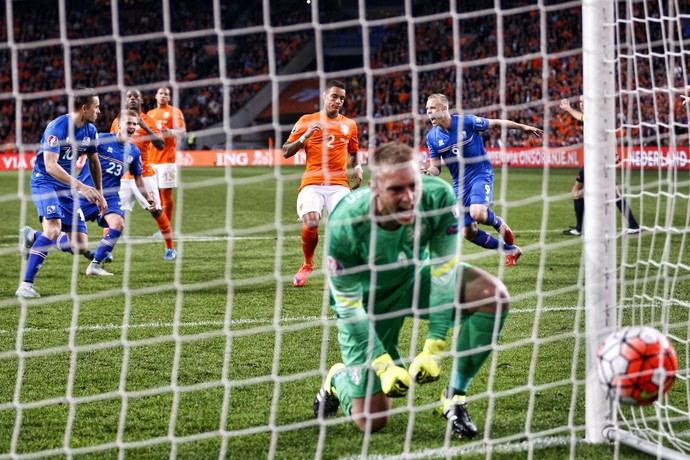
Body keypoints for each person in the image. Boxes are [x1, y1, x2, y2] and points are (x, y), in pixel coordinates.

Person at [314, 142, 510, 438]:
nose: (409, 198)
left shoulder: (437, 196)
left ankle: (454, 397)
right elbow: (348, 307)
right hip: (368, 305)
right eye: (396, 190)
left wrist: (434, 347)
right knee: (372, 422)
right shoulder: (346, 223)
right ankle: (337, 379)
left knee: (493, 297)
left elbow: (444, 274)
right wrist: (382, 365)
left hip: (415, 279)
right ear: (374, 187)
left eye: (413, 186)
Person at [422, 93, 542, 267]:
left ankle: (498, 222)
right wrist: (428, 172)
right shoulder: (432, 137)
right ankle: (511, 250)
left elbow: (496, 123)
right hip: (460, 185)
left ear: (444, 108)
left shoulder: (467, 122)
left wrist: (522, 127)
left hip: (480, 174)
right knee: (468, 233)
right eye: (427, 109)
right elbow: (436, 168)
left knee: (477, 213)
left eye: (432, 108)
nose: (428, 112)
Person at [16, 88, 106, 298]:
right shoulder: (57, 127)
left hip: (67, 187)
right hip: (45, 181)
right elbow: (50, 166)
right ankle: (25, 285)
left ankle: (33, 236)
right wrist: (82, 187)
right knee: (54, 229)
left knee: (80, 246)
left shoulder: (90, 131)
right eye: (97, 107)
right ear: (84, 108)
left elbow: (94, 162)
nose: (99, 111)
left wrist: (100, 194)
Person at [282, 79, 363, 287]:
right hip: (312, 182)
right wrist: (304, 137)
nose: (338, 101)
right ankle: (307, 264)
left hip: (338, 183)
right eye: (334, 96)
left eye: (342, 99)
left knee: (341, 225)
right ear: (325, 96)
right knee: (311, 220)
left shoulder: (350, 125)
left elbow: (354, 152)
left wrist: (358, 167)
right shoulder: (307, 120)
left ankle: (335, 268)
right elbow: (286, 151)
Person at [92, 88, 177, 261]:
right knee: (111, 212)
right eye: (129, 96)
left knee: (156, 210)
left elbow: (161, 144)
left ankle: (170, 248)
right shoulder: (119, 120)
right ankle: (106, 251)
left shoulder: (148, 120)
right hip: (122, 176)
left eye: (136, 96)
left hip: (144, 174)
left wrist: (144, 127)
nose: (132, 99)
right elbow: (111, 142)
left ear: (141, 100)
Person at [559, 96, 640, 236]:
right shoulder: (592, 117)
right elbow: (582, 117)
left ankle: (580, 228)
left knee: (578, 192)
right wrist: (569, 109)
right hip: (596, 159)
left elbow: (607, 136)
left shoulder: (595, 118)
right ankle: (633, 225)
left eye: (584, 102)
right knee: (586, 191)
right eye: (580, 102)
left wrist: (613, 154)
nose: (581, 104)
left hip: (597, 160)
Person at [147, 86, 186, 250]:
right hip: (151, 159)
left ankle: (165, 229)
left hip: (168, 159)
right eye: (161, 93)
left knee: (165, 192)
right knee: (153, 195)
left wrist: (170, 131)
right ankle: (162, 226)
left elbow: (182, 131)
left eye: (166, 94)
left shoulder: (175, 112)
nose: (163, 96)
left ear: (169, 98)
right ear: (156, 96)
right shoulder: (150, 114)